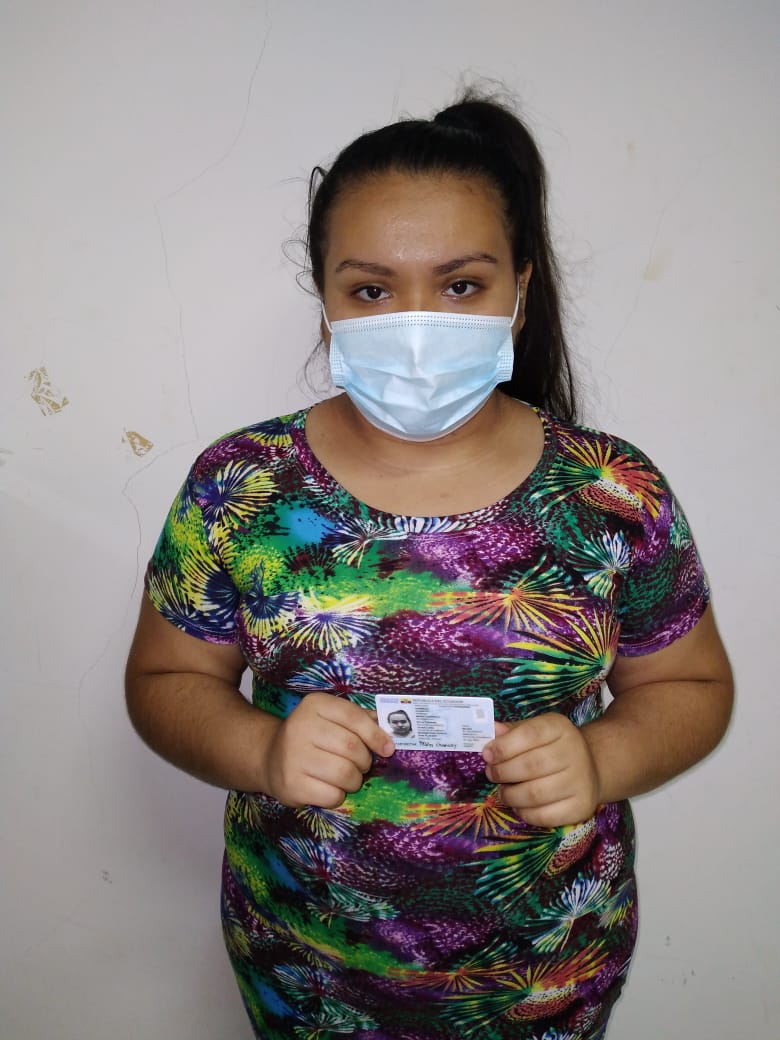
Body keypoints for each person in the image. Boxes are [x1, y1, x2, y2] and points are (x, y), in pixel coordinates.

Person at [125, 90, 733, 1040]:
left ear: (519, 292)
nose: (415, 324)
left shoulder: (612, 492)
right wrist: (262, 751)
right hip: (307, 976)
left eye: (460, 286)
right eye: (371, 290)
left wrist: (601, 757)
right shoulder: (238, 485)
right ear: (326, 301)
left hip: (543, 980)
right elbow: (164, 680)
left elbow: (692, 686)